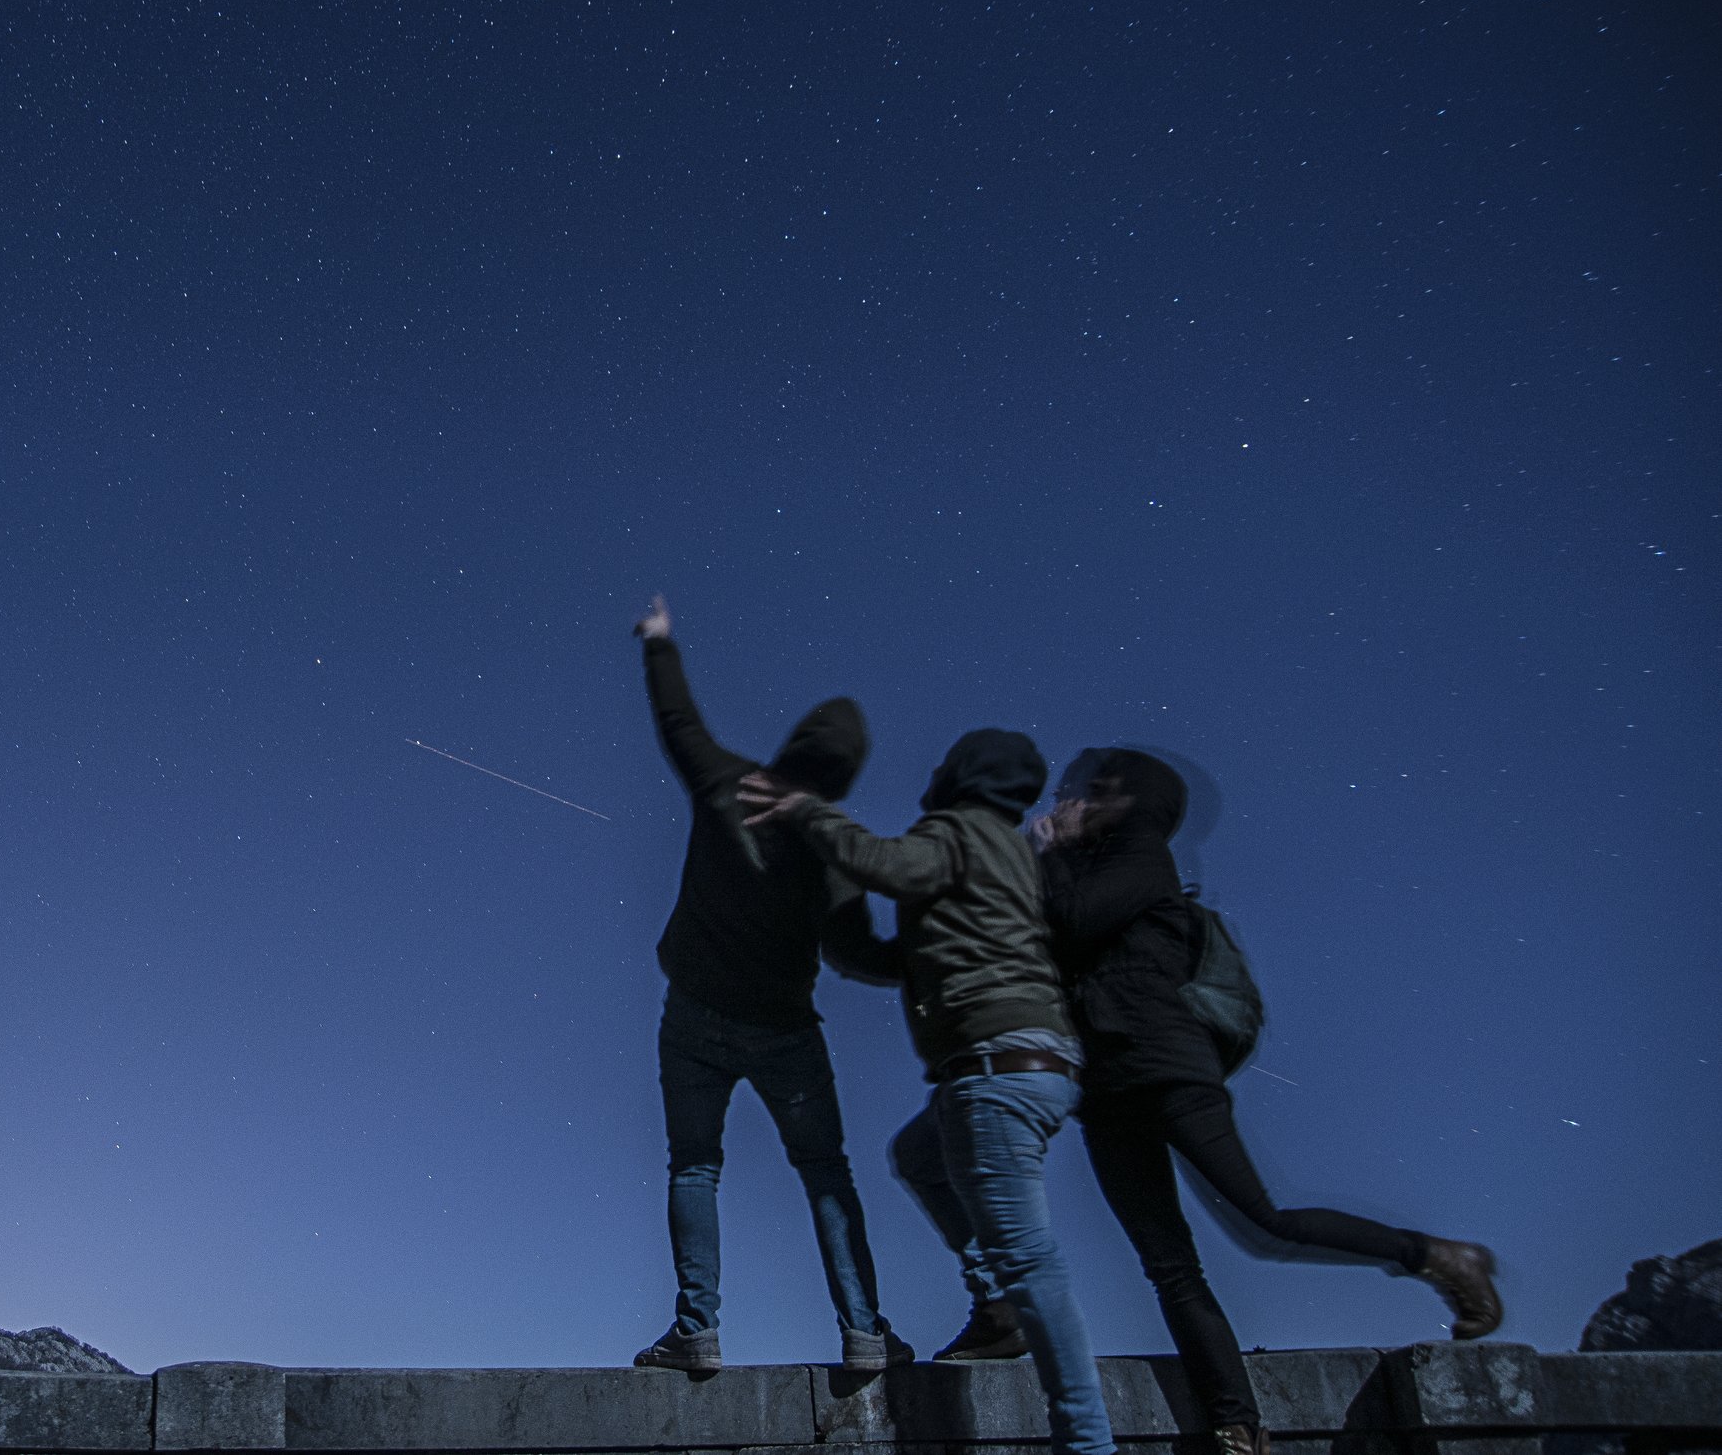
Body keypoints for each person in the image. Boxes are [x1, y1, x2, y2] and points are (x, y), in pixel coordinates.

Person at [1025, 746, 1501, 1455]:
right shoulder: (1092, 865)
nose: (1070, 802)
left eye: (1090, 793)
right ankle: (1236, 1425)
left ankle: (1440, 1256)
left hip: (1167, 1067)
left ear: (1128, 802)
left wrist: (1049, 851)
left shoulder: (1143, 853)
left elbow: (1075, 919)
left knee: (1264, 1222)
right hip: (1106, 1088)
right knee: (1169, 1264)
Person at [742, 731, 1117, 1455]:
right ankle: (997, 1307)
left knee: (1030, 1256)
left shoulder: (962, 829)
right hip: (1022, 1063)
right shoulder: (1001, 851)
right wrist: (831, 892)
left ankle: (1087, 1440)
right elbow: (891, 956)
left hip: (997, 1067)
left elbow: (889, 865)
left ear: (966, 776)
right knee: (919, 1154)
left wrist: (809, 814)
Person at [628, 595, 912, 1374]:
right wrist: (929, 959)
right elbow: (858, 956)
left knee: (694, 1165)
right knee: (826, 1172)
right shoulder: (828, 847)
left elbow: (677, 721)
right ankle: (863, 1331)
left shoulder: (728, 782)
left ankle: (697, 1329)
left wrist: (658, 642)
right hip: (787, 1033)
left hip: (692, 1018)